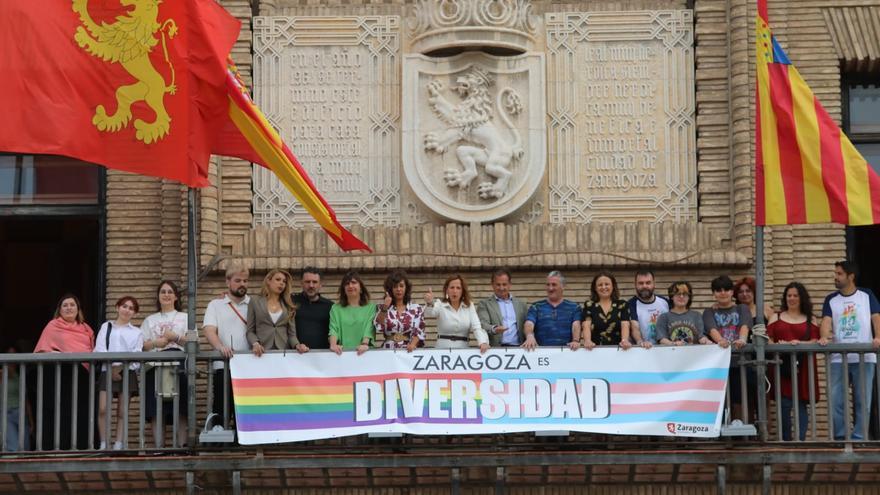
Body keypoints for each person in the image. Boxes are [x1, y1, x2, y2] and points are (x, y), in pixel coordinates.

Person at [818, 260, 880, 440]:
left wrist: (878, 337)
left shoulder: (866, 295)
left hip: (864, 357)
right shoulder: (831, 299)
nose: (835, 277)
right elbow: (826, 321)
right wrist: (824, 336)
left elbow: (876, 318)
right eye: (835, 273)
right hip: (838, 358)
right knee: (836, 400)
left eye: (839, 274)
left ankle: (859, 437)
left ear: (850, 276)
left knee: (863, 401)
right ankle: (840, 436)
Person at [34, 294, 94, 450]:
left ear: (78, 309)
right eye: (65, 305)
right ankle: (56, 447)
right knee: (60, 411)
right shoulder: (53, 326)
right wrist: (55, 354)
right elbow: (41, 350)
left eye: (72, 305)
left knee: (80, 411)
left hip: (81, 375)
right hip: (58, 375)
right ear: (59, 310)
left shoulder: (86, 329)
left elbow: (93, 352)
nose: (69, 308)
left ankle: (81, 447)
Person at [767, 282, 820, 441]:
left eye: (795, 295)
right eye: (789, 295)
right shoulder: (775, 317)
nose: (792, 298)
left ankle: (800, 440)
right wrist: (779, 346)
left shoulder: (811, 319)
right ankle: (786, 440)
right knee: (783, 404)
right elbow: (768, 341)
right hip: (781, 366)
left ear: (801, 297)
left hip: (803, 367)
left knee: (802, 404)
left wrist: (799, 343)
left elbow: (815, 341)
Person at [139, 280, 189, 448]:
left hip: (179, 363)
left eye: (169, 292)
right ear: (158, 296)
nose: (166, 295)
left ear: (175, 296)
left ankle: (181, 446)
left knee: (181, 407)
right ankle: (159, 447)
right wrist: (157, 343)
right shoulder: (149, 320)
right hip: (154, 364)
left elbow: (193, 344)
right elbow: (142, 345)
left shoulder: (185, 317)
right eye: (163, 292)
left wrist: (174, 337)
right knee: (156, 408)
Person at [94, 296, 144, 450]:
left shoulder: (137, 332)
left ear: (134, 313)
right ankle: (104, 443)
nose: (127, 310)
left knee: (122, 411)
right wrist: (111, 368)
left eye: (131, 308)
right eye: (124, 306)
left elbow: (136, 355)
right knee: (103, 408)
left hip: (126, 372)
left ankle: (118, 443)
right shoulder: (106, 326)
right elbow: (100, 349)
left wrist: (119, 368)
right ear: (117, 308)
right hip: (106, 370)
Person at [203, 262, 250, 425]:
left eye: (245, 281)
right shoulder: (215, 304)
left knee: (245, 409)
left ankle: (243, 444)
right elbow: (209, 330)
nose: (242, 284)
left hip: (248, 366)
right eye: (238, 280)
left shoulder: (254, 304)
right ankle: (221, 445)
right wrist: (220, 347)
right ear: (227, 282)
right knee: (222, 406)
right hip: (223, 365)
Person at [703, 275, 752, 422]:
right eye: (718, 290)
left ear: (732, 292)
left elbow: (744, 326)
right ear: (714, 294)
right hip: (720, 364)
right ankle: (720, 435)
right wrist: (720, 340)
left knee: (740, 399)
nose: (723, 293)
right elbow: (712, 329)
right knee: (720, 400)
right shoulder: (708, 312)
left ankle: (740, 434)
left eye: (726, 289)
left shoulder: (742, 308)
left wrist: (742, 339)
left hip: (741, 362)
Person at [246, 269, 306, 357]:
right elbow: (250, 331)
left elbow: (292, 334)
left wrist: (297, 345)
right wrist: (255, 343)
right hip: (261, 352)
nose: (281, 283)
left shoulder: (289, 304)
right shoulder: (254, 301)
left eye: (284, 281)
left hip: (283, 353)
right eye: (278, 280)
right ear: (268, 281)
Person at [425, 274, 488, 351]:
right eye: (452, 287)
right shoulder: (440, 304)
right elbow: (430, 313)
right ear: (447, 290)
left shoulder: (469, 306)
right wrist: (429, 303)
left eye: (458, 288)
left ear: (462, 291)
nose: (455, 291)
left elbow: (476, 326)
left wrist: (482, 342)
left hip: (463, 350)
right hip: (442, 350)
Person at [522, 271, 581, 351]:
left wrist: (575, 340)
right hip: (541, 355)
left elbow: (576, 324)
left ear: (563, 286)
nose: (550, 288)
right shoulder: (535, 307)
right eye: (548, 285)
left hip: (567, 353)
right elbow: (529, 323)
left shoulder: (574, 307)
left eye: (554, 285)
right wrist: (529, 336)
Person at [476, 268, 528, 347]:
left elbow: (527, 325)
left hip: (519, 349)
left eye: (504, 284)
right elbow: (483, 324)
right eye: (498, 284)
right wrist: (494, 329)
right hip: (495, 349)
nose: (501, 288)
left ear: (510, 284)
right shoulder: (484, 304)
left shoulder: (521, 304)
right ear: (492, 285)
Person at [375, 270, 425, 351]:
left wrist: (413, 344)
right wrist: (385, 307)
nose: (398, 289)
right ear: (390, 289)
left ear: (406, 288)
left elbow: (419, 330)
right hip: (388, 350)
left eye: (401, 286)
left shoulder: (416, 309)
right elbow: (378, 326)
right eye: (395, 286)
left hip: (409, 350)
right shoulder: (382, 307)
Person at [329, 271, 376, 355]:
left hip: (365, 353)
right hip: (342, 354)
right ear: (343, 289)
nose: (350, 286)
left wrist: (364, 344)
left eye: (354, 282)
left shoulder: (371, 307)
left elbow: (369, 328)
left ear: (361, 288)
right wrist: (333, 345)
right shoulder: (335, 309)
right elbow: (333, 329)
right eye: (347, 283)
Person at [582, 270, 632, 349]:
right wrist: (587, 341)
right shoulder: (589, 305)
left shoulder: (622, 305)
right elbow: (586, 325)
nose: (603, 287)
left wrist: (624, 340)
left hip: (618, 351)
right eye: (600, 285)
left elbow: (625, 325)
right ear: (595, 288)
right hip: (594, 351)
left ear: (613, 286)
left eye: (607, 284)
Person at [292, 267, 334, 350]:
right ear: (301, 283)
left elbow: (334, 332)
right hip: (295, 356)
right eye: (307, 282)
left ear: (320, 284)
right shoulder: (291, 302)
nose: (311, 285)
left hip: (322, 357)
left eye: (315, 282)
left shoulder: (330, 306)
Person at [655, 281, 709, 345]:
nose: (681, 296)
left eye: (685, 294)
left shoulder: (697, 315)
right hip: (672, 353)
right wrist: (673, 344)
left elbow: (701, 336)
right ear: (672, 296)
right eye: (678, 294)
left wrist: (705, 340)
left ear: (689, 297)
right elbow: (661, 339)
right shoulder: (663, 317)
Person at [3, 342, 33, 452]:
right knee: (14, 447)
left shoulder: (20, 375)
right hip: (6, 414)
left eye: (14, 355)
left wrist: (31, 421)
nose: (11, 359)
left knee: (25, 448)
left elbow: (25, 399)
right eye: (9, 355)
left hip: (20, 413)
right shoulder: (1, 374)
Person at [628, 269, 668, 348]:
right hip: (644, 350)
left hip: (666, 349)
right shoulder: (630, 304)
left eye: (648, 283)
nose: (644, 286)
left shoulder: (666, 302)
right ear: (635, 285)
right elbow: (634, 327)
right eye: (641, 283)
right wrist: (640, 342)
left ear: (654, 284)